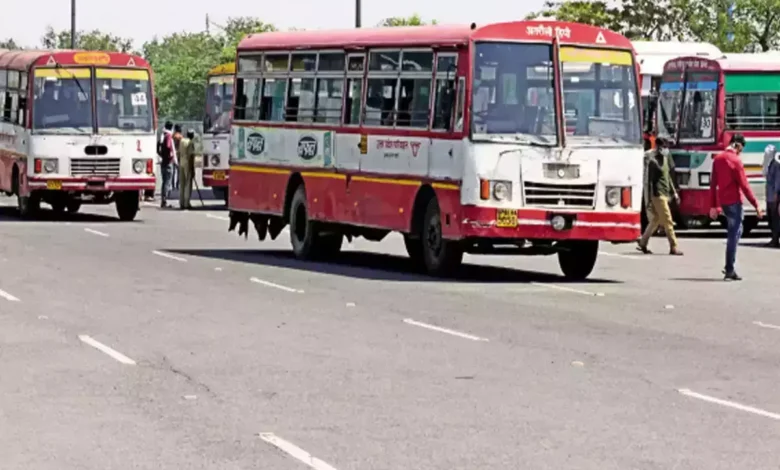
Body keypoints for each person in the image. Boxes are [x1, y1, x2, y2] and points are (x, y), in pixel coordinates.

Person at [709, 133, 764, 280]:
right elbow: (744, 186)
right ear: (737, 145)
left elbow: (713, 184)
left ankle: (729, 266)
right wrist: (756, 205)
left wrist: (713, 206)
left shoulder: (718, 159)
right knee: (734, 234)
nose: (741, 152)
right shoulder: (736, 161)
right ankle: (729, 269)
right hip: (734, 202)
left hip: (724, 202)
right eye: (741, 149)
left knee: (737, 230)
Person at [637, 137, 683, 255]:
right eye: (663, 146)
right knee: (668, 220)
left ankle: (643, 242)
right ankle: (673, 246)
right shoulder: (653, 162)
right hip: (658, 195)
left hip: (665, 193)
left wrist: (674, 193)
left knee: (656, 220)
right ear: (657, 147)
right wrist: (649, 200)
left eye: (666, 146)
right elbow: (649, 182)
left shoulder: (666, 159)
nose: (665, 149)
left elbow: (668, 178)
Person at [157, 121, 178, 208]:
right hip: (168, 163)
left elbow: (157, 148)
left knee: (164, 182)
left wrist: (162, 155)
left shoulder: (162, 135)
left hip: (163, 162)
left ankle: (163, 200)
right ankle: (164, 201)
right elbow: (169, 146)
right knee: (167, 182)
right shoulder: (168, 136)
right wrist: (171, 156)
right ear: (171, 128)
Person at [765, 147, 780, 247]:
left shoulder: (776, 165)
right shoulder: (770, 164)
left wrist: (776, 193)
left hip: (774, 197)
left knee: (775, 219)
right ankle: (774, 238)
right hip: (769, 196)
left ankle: (775, 240)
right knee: (770, 218)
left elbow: (777, 180)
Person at [178, 129, 196, 210]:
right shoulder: (190, 143)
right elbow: (191, 156)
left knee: (182, 183)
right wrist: (192, 169)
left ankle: (181, 202)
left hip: (181, 162)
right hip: (187, 163)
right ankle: (186, 203)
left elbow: (178, 153)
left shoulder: (182, 141)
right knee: (188, 184)